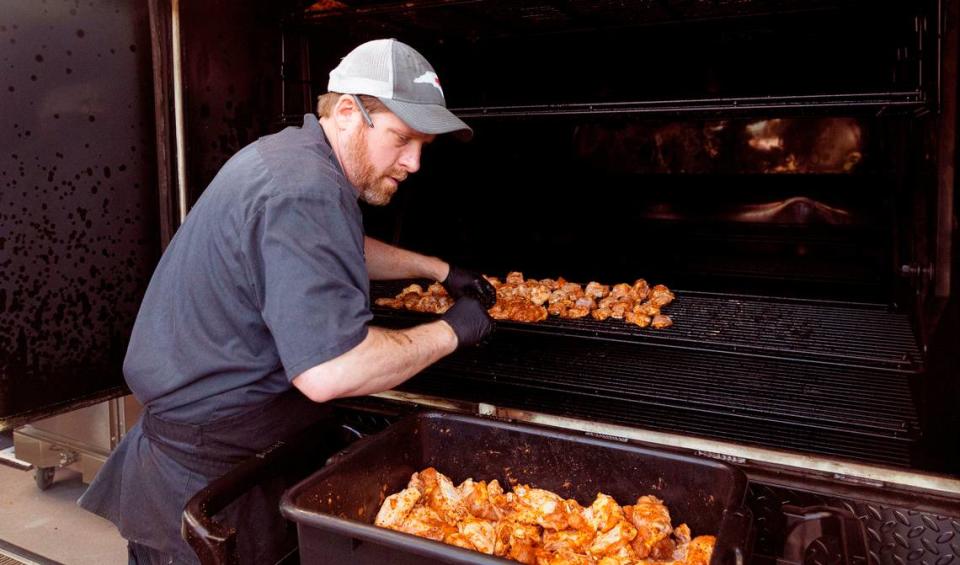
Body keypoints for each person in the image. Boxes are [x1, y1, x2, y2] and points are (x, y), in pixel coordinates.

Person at [78, 38, 496, 564]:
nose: (413, 163)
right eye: (402, 138)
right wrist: (453, 329)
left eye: (423, 146)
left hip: (232, 450)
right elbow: (330, 372)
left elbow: (332, 247)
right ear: (348, 111)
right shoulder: (302, 189)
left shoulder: (296, 160)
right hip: (211, 477)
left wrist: (436, 270)